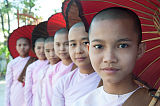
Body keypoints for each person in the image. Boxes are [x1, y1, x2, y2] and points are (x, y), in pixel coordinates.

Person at [72, 7, 160, 106]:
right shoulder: (81, 103)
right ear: (89, 50)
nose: (109, 58)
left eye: (122, 45)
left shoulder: (152, 102)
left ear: (139, 50)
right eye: (98, 46)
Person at [51, 22, 101, 106]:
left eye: (85, 43)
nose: (78, 51)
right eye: (73, 44)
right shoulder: (63, 83)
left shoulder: (109, 79)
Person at [5, 37, 35, 106]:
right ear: (16, 47)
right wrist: (7, 103)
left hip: (30, 92)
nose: (22, 47)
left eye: (25, 45)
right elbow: (8, 85)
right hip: (16, 93)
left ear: (30, 46)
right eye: (19, 45)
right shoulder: (12, 63)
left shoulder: (34, 61)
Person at [34, 36, 60, 106]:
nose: (51, 55)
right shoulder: (43, 71)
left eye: (54, 50)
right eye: (48, 51)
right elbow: (39, 95)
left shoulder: (64, 68)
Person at [24, 38, 48, 106]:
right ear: (34, 49)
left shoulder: (52, 63)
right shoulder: (31, 67)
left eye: (44, 48)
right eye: (39, 48)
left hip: (49, 97)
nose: (42, 51)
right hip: (36, 99)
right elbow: (28, 89)